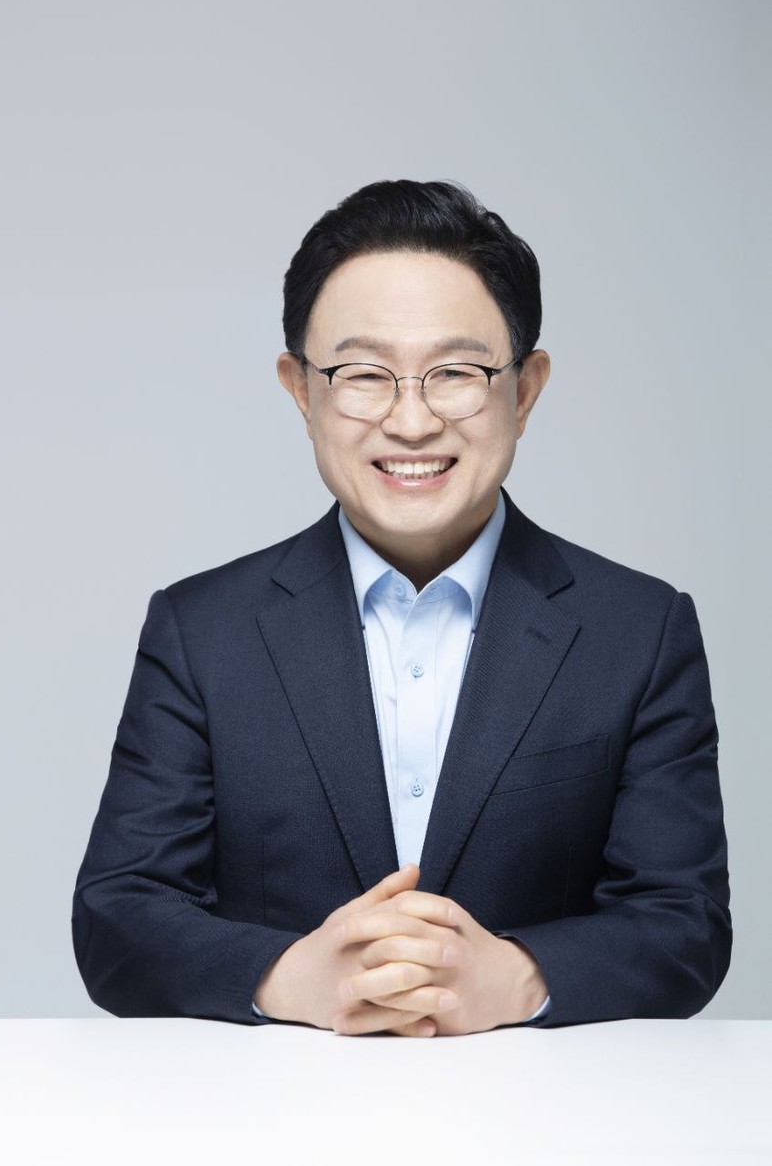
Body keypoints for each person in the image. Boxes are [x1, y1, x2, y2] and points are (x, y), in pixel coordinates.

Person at [72, 179, 731, 1036]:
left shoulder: (638, 631)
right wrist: (288, 979)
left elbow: (686, 925)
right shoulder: (202, 631)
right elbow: (117, 918)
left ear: (525, 390)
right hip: (271, 1105)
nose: (411, 421)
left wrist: (519, 979)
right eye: (363, 375)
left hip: (545, 1107)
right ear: (301, 390)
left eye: (455, 373)